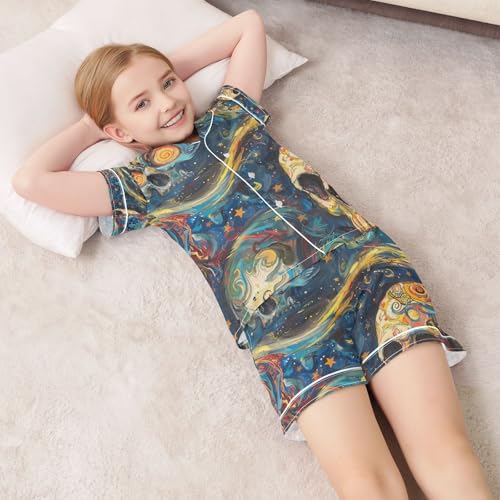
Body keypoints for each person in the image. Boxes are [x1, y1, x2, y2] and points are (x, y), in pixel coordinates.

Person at [11, 8, 493, 499]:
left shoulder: (232, 115)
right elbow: (31, 181)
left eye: (169, 83)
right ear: (118, 133)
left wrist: (153, 72)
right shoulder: (138, 185)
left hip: (368, 271)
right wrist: (93, 124)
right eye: (142, 103)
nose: (168, 102)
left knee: (443, 449)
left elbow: (247, 26)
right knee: (366, 482)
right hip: (286, 326)